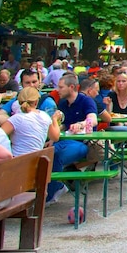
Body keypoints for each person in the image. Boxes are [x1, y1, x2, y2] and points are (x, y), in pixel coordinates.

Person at [47, 73, 99, 204]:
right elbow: (63, 125)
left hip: (83, 143)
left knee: (56, 157)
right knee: (46, 153)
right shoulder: (63, 103)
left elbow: (93, 120)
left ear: (71, 87)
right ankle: (51, 189)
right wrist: (52, 139)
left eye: (60, 87)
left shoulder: (86, 100)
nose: (57, 90)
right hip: (64, 141)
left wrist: (81, 124)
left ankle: (51, 193)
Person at [0, 88, 60, 156]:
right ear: (36, 101)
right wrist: (54, 119)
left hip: (17, 161)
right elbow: (55, 137)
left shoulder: (16, 119)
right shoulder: (45, 116)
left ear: (19, 102)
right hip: (36, 162)